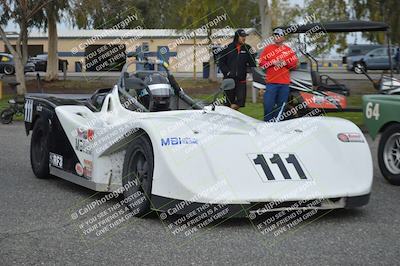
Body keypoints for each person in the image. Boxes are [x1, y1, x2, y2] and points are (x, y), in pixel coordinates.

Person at [259, 28, 298, 122]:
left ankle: (277, 124)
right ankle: (267, 124)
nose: (277, 37)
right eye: (275, 35)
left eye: (279, 35)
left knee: (281, 106)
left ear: (283, 37)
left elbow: (294, 64)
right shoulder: (268, 49)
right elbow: (261, 63)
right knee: (268, 105)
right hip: (271, 83)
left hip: (284, 83)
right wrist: (273, 62)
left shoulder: (288, 50)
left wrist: (285, 62)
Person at [218, 29, 256, 110]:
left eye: (245, 36)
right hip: (229, 80)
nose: (244, 38)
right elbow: (221, 62)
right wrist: (227, 72)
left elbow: (253, 64)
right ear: (236, 37)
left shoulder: (248, 48)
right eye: (242, 36)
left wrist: (248, 73)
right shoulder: (228, 48)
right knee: (228, 104)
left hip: (241, 81)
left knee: (239, 102)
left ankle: (234, 115)